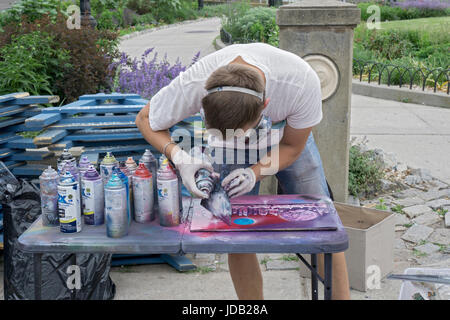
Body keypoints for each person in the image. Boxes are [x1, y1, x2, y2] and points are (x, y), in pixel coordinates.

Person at [136, 43, 350, 300]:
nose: (243, 141)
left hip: (285, 141)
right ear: (202, 104)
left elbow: (293, 146)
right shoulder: (194, 83)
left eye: (244, 134)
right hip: (229, 153)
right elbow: (144, 119)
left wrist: (256, 172)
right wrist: (180, 158)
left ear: (266, 105)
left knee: (324, 223)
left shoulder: (300, 81)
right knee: (235, 231)